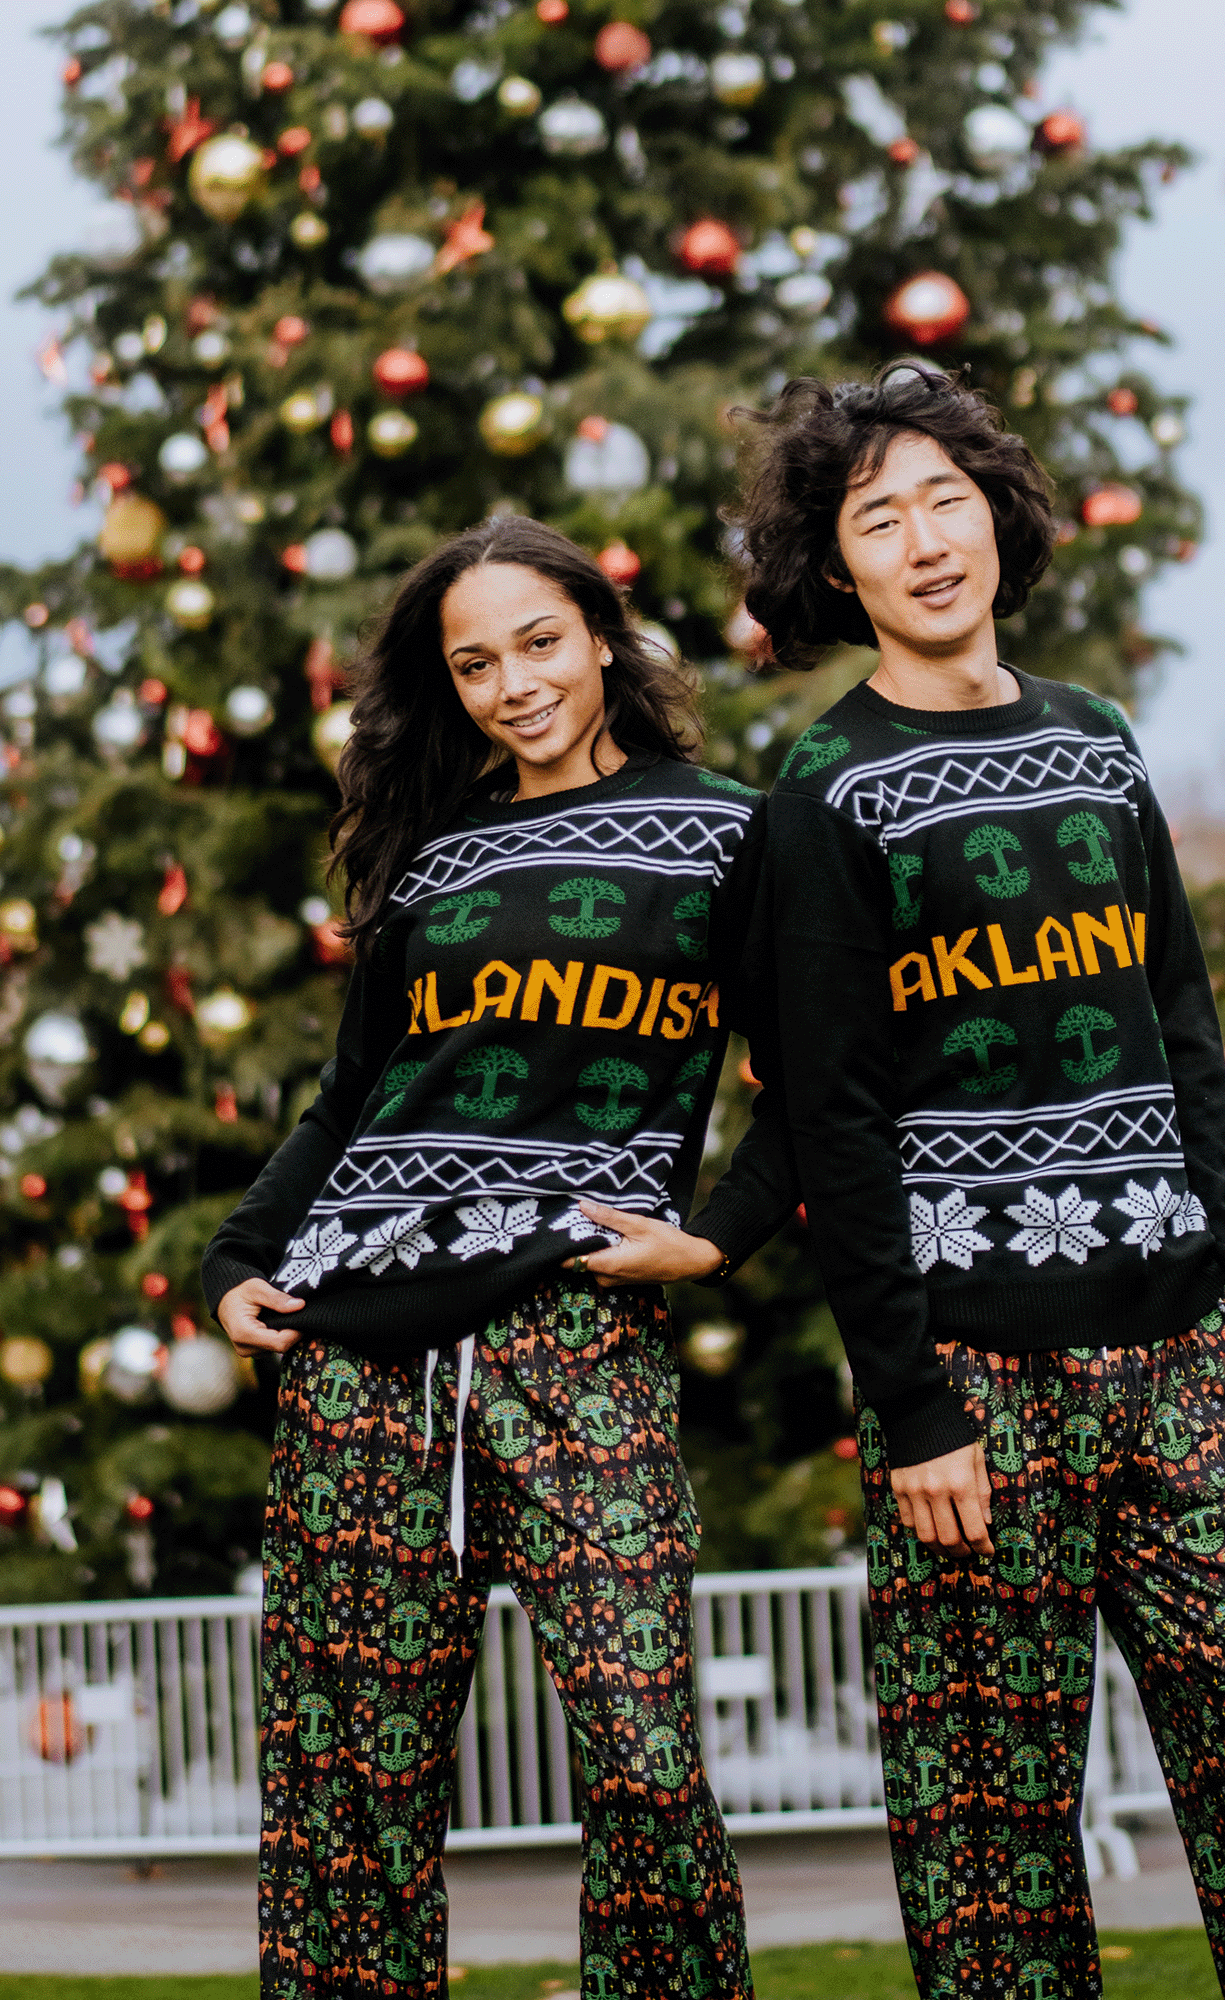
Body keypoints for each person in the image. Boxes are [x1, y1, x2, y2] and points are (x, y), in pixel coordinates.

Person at [730, 366, 1225, 2000]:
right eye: (876, 517)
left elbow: (1179, 1015)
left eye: (943, 498)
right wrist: (910, 1408)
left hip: (1191, 1357)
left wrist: (1222, 1258)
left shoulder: (1098, 741)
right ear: (837, 572)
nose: (922, 538)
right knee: (995, 1852)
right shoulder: (825, 797)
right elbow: (835, 1123)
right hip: (976, 1384)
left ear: (996, 517)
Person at [204, 517, 793, 2000]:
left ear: (603, 636)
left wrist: (715, 1239)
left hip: (576, 1337)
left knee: (646, 1761)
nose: (512, 683)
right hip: (358, 1355)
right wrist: (235, 1257)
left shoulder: (730, 832)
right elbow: (355, 1091)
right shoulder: (430, 853)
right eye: (474, 663)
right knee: (351, 1796)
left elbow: (819, 1087)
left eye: (537, 642)